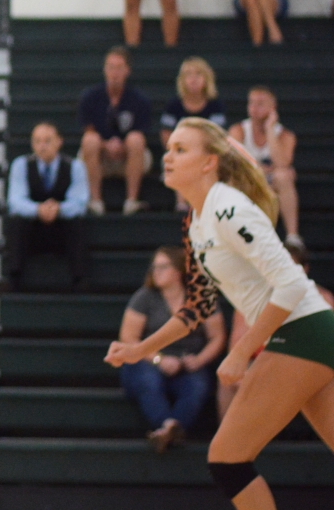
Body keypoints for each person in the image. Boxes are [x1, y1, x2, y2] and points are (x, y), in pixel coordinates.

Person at [104, 119, 334, 510]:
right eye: (169, 148)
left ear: (209, 162)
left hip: (303, 330)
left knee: (228, 459)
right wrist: (140, 349)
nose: (168, 157)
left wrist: (242, 350)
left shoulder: (229, 209)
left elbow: (293, 283)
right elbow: (197, 306)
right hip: (310, 333)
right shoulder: (195, 223)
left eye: (181, 150)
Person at [116, 246, 226, 452]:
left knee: (197, 385)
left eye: (163, 267)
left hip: (187, 362)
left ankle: (167, 431)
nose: (155, 272)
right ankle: (170, 427)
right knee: (147, 380)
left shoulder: (200, 297)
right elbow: (128, 338)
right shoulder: (145, 297)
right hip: (149, 360)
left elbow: (217, 336)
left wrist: (199, 360)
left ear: (179, 270)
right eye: (154, 267)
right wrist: (158, 359)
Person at [218, 243, 334, 421]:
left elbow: (326, 344)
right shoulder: (254, 298)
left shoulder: (323, 298)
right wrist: (241, 369)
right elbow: (237, 343)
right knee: (227, 378)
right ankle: (228, 436)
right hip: (264, 362)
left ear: (304, 269)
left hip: (305, 362)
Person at [6, 123, 90, 291]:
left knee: (77, 223)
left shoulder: (75, 166)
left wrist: (58, 209)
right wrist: (38, 210)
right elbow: (15, 201)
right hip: (34, 230)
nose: (42, 146)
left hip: (61, 229)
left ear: (59, 141)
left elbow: (80, 202)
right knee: (17, 222)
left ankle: (79, 279)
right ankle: (14, 278)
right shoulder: (20, 165)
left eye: (47, 141)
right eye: (37, 141)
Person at [78, 47, 152, 216]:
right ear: (104, 69)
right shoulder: (90, 97)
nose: (114, 73)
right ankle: (95, 201)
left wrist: (121, 146)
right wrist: (106, 146)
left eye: (119, 68)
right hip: (100, 157)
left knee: (136, 140)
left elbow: (141, 133)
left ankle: (131, 200)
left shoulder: (139, 100)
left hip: (129, 157)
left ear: (127, 70)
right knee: (90, 140)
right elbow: (88, 130)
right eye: (111, 67)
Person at [230, 87, 302, 249]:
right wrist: (264, 169)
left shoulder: (285, 135)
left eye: (260, 104)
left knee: (283, 176)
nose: (254, 108)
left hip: (271, 185)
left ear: (272, 108)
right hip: (248, 182)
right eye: (251, 103)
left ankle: (292, 236)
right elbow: (237, 162)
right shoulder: (238, 130)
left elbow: (282, 164)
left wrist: (270, 130)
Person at [159, 57, 226, 149]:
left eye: (198, 74)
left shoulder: (215, 105)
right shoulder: (173, 105)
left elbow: (218, 135)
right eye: (189, 75)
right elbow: (166, 134)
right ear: (182, 80)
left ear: (207, 79)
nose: (193, 79)